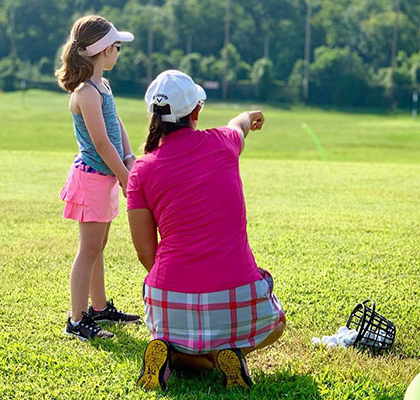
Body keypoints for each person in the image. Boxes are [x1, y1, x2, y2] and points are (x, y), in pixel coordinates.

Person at [127, 70, 286, 390]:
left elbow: (146, 253)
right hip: (236, 293)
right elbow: (238, 125)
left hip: (168, 300)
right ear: (196, 112)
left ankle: (174, 352)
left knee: (174, 337)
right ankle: (224, 354)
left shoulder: (141, 170)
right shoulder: (223, 142)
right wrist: (248, 115)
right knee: (277, 326)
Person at [55, 15, 140, 341]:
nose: (118, 52)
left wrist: (130, 158)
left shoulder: (102, 86)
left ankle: (100, 307)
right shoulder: (86, 93)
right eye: (116, 46)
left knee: (99, 245)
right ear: (103, 50)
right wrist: (124, 177)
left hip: (103, 179)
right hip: (92, 179)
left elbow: (115, 126)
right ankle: (76, 320)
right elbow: (102, 143)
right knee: (89, 249)